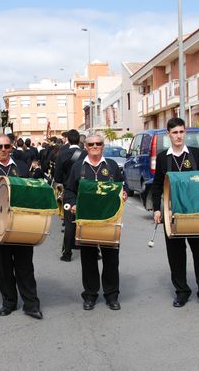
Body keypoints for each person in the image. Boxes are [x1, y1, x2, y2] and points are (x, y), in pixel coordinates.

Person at [0, 133, 43, 320]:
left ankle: (31, 304)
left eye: (6, 146)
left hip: (21, 224)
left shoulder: (21, 167)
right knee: (3, 266)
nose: (3, 150)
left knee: (25, 265)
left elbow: (31, 192)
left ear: (12, 147)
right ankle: (9, 302)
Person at [152, 117, 199, 310]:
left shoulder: (196, 154)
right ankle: (182, 292)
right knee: (176, 256)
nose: (178, 136)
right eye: (175, 133)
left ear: (185, 133)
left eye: (181, 132)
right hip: (172, 213)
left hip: (195, 213)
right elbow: (157, 185)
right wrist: (157, 209)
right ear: (168, 135)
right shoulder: (164, 157)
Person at [63, 134, 127, 311]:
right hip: (87, 222)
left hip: (110, 220)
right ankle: (90, 295)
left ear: (103, 146)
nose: (95, 146)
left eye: (98, 143)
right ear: (86, 147)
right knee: (88, 259)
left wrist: (125, 193)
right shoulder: (78, 167)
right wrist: (73, 204)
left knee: (111, 260)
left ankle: (112, 295)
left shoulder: (112, 166)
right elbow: (69, 191)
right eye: (91, 144)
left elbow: (123, 185)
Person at [54, 129, 85, 262]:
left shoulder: (62, 154)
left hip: (69, 190)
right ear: (79, 140)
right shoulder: (86, 153)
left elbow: (58, 177)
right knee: (89, 221)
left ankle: (67, 253)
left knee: (69, 223)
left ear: (67, 140)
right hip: (85, 190)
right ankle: (95, 251)